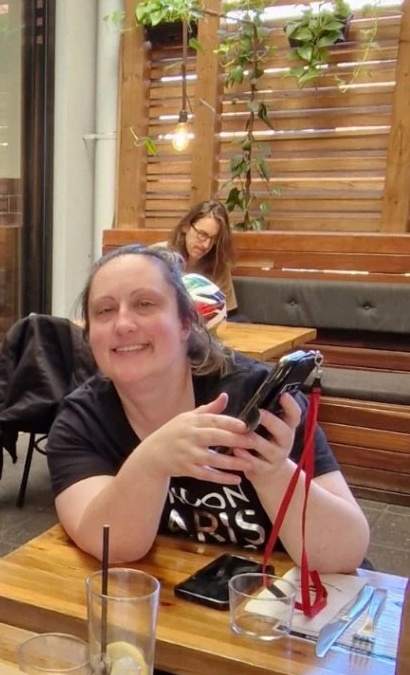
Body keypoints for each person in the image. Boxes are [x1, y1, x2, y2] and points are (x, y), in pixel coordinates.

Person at [46, 244, 369, 571]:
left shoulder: (253, 395)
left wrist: (273, 472)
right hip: (171, 607)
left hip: (285, 607)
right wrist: (150, 462)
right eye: (104, 311)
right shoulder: (81, 421)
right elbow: (112, 547)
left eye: (145, 304)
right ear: (90, 336)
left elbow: (344, 555)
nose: (123, 324)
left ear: (186, 323)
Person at [165, 200, 238, 316]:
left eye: (213, 239)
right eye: (202, 234)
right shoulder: (158, 257)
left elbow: (228, 313)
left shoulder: (219, 265)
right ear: (186, 226)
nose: (206, 245)